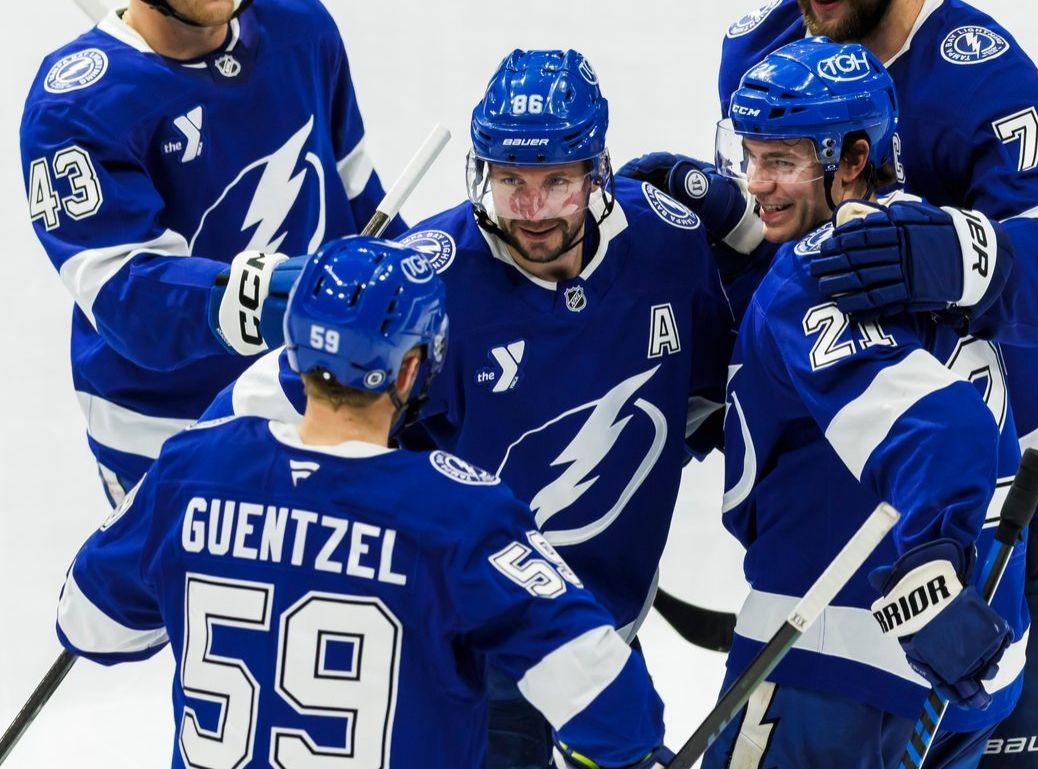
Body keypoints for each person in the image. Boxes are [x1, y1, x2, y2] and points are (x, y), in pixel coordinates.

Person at [203, 48, 734, 769]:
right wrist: (177, 486)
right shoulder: (427, 280)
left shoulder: (669, 245)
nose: (531, 210)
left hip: (607, 629)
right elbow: (269, 398)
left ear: (596, 173)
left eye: (556, 182)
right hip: (473, 643)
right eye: (510, 180)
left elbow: (719, 389)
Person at [55, 236, 671, 769]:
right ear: (410, 372)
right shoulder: (458, 514)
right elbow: (614, 709)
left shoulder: (189, 471)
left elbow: (89, 623)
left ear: (293, 349)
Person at [716, 3, 1038, 766]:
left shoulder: (974, 67)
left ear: (854, 158)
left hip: (1005, 500)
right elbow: (774, 226)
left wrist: (966, 254)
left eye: (779, 158)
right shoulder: (765, 47)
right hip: (919, 513)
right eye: (749, 155)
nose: (757, 179)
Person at [20, 0, 403, 505]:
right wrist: (270, 298)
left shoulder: (301, 26)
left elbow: (355, 191)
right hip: (169, 430)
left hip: (317, 400)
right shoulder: (76, 106)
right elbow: (129, 299)